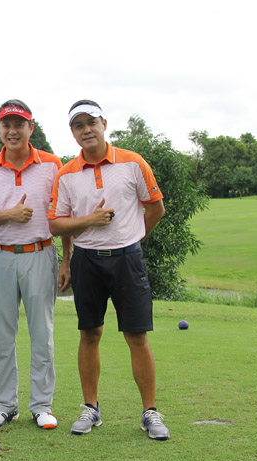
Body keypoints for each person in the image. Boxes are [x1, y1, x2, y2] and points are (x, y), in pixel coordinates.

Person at [47, 100, 170, 440]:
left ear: (104, 123)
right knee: (89, 334)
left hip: (127, 259)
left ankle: (150, 412)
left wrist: (132, 237)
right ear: (72, 132)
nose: (86, 129)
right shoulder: (66, 173)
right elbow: (56, 224)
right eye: (78, 125)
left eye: (91, 122)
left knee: (137, 336)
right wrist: (89, 222)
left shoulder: (133, 162)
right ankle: (91, 408)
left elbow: (156, 208)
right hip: (87, 260)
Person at [0, 100, 72, 430]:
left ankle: (42, 405)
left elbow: (63, 214)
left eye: (19, 124)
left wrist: (66, 260)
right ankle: (5, 405)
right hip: (2, 255)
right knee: (2, 335)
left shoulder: (52, 164)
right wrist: (8, 215)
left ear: (31, 128)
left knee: (42, 334)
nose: (12, 131)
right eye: (6, 125)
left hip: (41, 253)